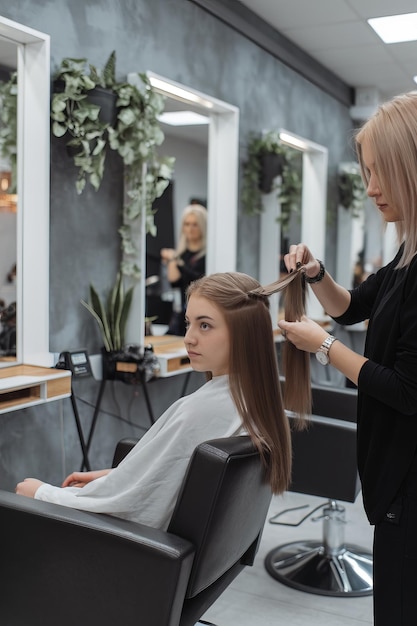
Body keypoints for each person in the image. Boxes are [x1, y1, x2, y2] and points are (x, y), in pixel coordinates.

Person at [278, 92, 417, 625]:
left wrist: (325, 348)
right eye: (367, 172)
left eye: (384, 171)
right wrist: (315, 274)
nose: (372, 187)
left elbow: (406, 388)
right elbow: (353, 307)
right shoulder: (405, 255)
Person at [15, 271, 293, 531]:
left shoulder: (201, 410)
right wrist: (112, 476)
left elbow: (134, 506)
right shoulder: (253, 397)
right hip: (175, 557)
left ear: (243, 333)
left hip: (134, 550)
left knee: (21, 496)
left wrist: (43, 493)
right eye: (189, 323)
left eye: (205, 325)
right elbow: (171, 474)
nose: (189, 338)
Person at [160, 203, 207, 335]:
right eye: (187, 224)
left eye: (195, 224)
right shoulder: (180, 255)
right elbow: (174, 281)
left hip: (201, 312)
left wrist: (177, 263)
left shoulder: (208, 256)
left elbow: (197, 280)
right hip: (181, 313)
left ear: (203, 226)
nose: (190, 229)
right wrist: (172, 260)